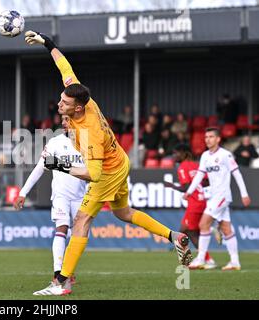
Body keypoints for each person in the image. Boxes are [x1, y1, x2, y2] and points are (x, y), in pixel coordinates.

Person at [25, 30, 191, 296]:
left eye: (64, 102)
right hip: (119, 160)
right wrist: (48, 43)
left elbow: (92, 174)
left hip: (108, 170)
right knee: (123, 213)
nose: (59, 103)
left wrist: (60, 166)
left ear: (77, 108)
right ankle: (175, 236)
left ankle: (61, 282)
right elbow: (64, 67)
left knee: (81, 220)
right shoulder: (80, 97)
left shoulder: (89, 130)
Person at [14, 115, 87, 283]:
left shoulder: (87, 142)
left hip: (80, 196)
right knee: (61, 228)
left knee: (78, 235)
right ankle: (58, 272)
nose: (63, 122)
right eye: (63, 119)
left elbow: (93, 172)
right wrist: (23, 193)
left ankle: (68, 270)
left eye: (68, 119)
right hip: (61, 195)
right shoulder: (55, 142)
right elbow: (40, 168)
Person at [184, 127, 250, 271]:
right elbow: (199, 175)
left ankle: (201, 259)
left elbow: (237, 174)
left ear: (218, 139)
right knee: (226, 229)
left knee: (203, 224)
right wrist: (189, 191)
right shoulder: (205, 156)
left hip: (222, 196)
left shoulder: (226, 155)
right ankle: (235, 262)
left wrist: (244, 193)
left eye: (211, 136)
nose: (208, 139)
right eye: (206, 137)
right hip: (213, 197)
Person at [164, 144, 217, 269]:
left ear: (183, 153)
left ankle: (206, 259)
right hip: (202, 201)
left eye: (176, 152)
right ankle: (184, 254)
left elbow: (186, 187)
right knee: (184, 228)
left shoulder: (182, 167)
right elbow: (206, 181)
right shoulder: (196, 165)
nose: (174, 156)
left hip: (194, 203)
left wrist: (172, 186)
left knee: (190, 231)